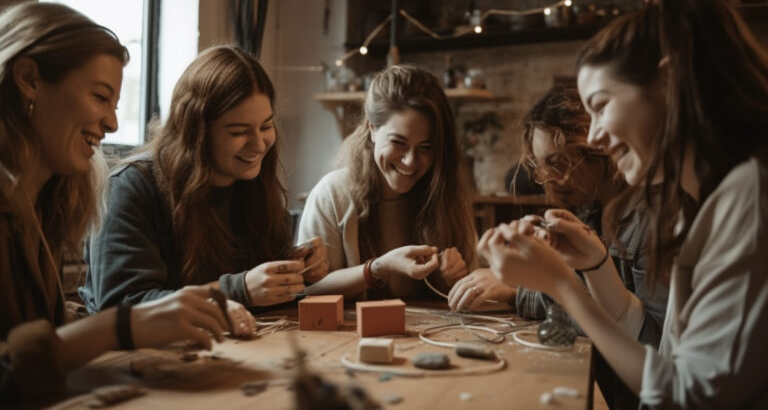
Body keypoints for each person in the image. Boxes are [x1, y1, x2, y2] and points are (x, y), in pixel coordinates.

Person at [481, 0, 768, 408]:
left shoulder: (749, 196)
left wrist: (562, 285)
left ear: (668, 83)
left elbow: (684, 396)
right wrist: (594, 262)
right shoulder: (705, 202)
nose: (594, 137)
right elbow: (666, 357)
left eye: (600, 105)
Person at [0, 1, 229, 403]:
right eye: (100, 97)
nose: (113, 124)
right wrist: (119, 327)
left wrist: (156, 324)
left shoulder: (43, 206)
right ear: (29, 79)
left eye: (115, 104)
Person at [80, 45, 329, 335]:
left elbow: (259, 289)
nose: (259, 144)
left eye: (266, 126)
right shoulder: (130, 187)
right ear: (195, 131)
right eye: (238, 132)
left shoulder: (251, 181)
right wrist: (239, 289)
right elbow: (123, 308)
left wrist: (295, 271)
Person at [450, 84, 669, 409]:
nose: (547, 178)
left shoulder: (653, 221)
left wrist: (521, 290)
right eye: (541, 165)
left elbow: (651, 342)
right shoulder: (589, 211)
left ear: (598, 152)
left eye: (558, 162)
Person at [298, 65, 477, 299]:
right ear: (372, 129)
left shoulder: (447, 194)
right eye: (399, 143)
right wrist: (377, 269)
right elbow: (307, 290)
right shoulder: (331, 194)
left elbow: (474, 286)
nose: (411, 161)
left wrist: (455, 280)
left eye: (425, 148)